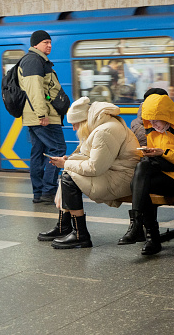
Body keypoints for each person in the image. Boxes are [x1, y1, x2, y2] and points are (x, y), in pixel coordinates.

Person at [36, 97, 140, 249]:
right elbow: (90, 156)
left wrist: (66, 163)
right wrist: (69, 160)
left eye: (74, 124)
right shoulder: (99, 127)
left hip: (123, 177)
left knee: (68, 177)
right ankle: (64, 226)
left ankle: (80, 235)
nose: (73, 129)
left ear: (83, 121)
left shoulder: (106, 131)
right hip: (114, 172)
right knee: (68, 173)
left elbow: (95, 167)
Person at [119, 93, 174, 255]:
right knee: (142, 181)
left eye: (156, 120)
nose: (153, 124)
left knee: (140, 182)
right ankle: (147, 234)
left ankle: (146, 233)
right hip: (164, 173)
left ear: (167, 116)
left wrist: (164, 152)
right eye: (149, 120)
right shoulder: (152, 130)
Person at [18, 30, 67, 204]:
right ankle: (48, 189)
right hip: (42, 116)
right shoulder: (33, 61)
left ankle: (39, 193)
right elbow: (34, 90)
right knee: (58, 149)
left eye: (50, 42)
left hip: (38, 116)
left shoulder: (39, 61)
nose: (49, 45)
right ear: (35, 44)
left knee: (38, 153)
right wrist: (42, 114)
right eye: (46, 42)